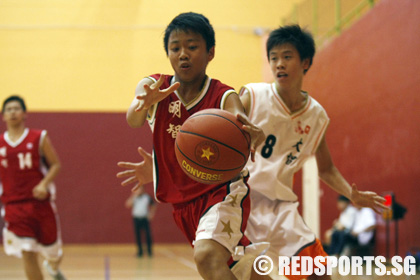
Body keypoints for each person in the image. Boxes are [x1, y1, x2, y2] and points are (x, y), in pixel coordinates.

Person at [117, 12, 266, 280]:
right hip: (183, 203)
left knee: (207, 256)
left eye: (192, 46)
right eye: (175, 48)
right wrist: (145, 102)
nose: (183, 54)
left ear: (210, 53)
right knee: (239, 268)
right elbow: (133, 120)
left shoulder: (223, 94)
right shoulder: (154, 86)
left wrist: (251, 133)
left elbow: (240, 120)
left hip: (222, 192)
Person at [238, 25, 387, 280]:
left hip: (281, 209)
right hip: (242, 203)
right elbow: (216, 136)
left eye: (286, 56)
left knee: (319, 275)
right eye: (273, 58)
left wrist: (352, 195)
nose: (278, 64)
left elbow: (326, 168)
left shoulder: (316, 115)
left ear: (305, 62)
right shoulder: (252, 95)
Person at [0, 95, 66, 280]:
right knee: (27, 252)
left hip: (41, 205)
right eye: (8, 109)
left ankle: (52, 267)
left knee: (54, 252)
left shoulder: (39, 137)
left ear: (24, 114)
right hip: (14, 206)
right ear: (3, 116)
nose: (12, 112)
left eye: (16, 108)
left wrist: (44, 184)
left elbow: (56, 165)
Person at [125, 185, 156, 257]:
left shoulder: (147, 197)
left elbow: (153, 205)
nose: (139, 190)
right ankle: (140, 252)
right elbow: (128, 204)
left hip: (144, 218)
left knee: (148, 235)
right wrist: (133, 195)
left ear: (143, 190)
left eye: (141, 189)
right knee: (138, 235)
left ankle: (149, 251)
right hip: (136, 218)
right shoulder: (134, 198)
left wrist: (151, 214)